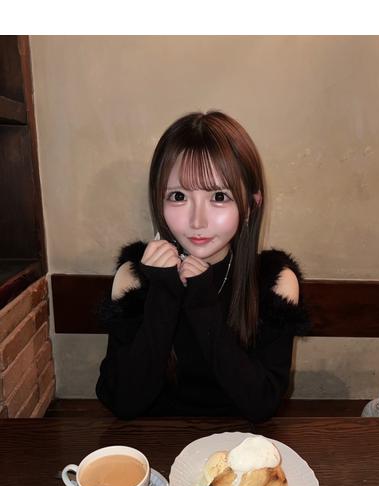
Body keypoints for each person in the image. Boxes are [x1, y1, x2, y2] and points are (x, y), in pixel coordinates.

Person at [96, 110, 310, 422]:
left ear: (251, 206)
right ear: (159, 201)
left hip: (239, 443)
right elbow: (122, 402)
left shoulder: (274, 281)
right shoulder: (134, 277)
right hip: (155, 440)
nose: (197, 221)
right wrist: (163, 293)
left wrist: (202, 303)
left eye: (219, 196)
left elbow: (262, 404)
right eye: (178, 196)